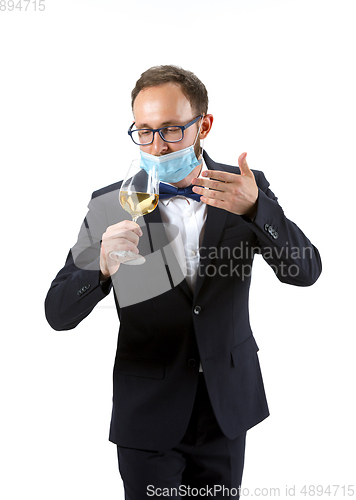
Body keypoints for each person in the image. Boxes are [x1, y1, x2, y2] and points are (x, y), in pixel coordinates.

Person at [45, 65, 322, 499]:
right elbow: (57, 313)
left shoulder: (245, 188)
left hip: (225, 408)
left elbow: (305, 272)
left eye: (172, 130)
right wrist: (99, 267)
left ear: (204, 125)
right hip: (148, 415)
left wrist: (257, 212)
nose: (156, 145)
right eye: (144, 130)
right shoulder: (109, 203)